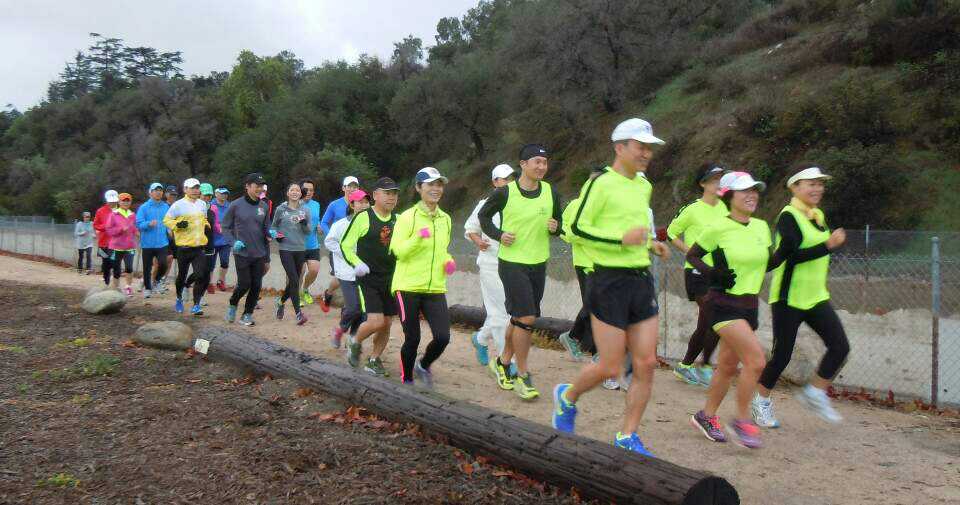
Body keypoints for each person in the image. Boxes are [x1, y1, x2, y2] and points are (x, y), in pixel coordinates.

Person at [551, 118, 664, 457]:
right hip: (607, 281)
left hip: (640, 280)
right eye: (640, 146)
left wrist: (649, 246)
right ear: (620, 147)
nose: (646, 153)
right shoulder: (600, 183)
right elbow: (577, 228)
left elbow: (637, 230)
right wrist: (619, 239)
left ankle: (627, 435)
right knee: (611, 367)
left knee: (645, 363)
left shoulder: (644, 186)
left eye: (649, 147)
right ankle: (567, 397)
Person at [685, 171, 779, 449]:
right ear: (729, 196)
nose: (752, 195)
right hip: (723, 304)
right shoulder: (718, 227)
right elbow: (692, 255)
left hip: (750, 305)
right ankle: (741, 420)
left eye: (755, 190)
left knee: (727, 367)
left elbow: (766, 263)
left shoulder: (762, 227)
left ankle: (706, 415)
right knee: (756, 361)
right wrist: (712, 273)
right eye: (744, 191)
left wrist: (791, 252)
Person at [753, 165, 849, 427]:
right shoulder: (788, 216)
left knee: (840, 347)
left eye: (820, 184)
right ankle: (760, 401)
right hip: (788, 298)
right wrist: (828, 245)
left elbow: (817, 253)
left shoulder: (817, 214)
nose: (817, 188)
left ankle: (815, 392)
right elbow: (792, 256)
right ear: (794, 187)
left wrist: (827, 247)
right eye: (811, 183)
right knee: (782, 356)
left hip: (816, 296)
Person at [479, 144, 563, 401]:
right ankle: (522, 374)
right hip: (512, 262)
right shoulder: (505, 193)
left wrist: (554, 227)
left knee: (520, 318)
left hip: (539, 262)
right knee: (526, 318)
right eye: (536, 161)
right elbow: (484, 217)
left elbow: (557, 226)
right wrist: (498, 235)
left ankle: (502, 362)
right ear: (523, 164)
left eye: (544, 162)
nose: (541, 166)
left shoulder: (551, 192)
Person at [391, 167, 456, 388]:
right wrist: (419, 237)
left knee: (443, 337)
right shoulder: (407, 217)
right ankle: (407, 380)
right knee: (413, 338)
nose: (436, 189)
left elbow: (442, 249)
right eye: (431, 184)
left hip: (435, 287)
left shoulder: (445, 219)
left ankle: (424, 364)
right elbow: (398, 251)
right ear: (419, 188)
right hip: (406, 286)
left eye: (439, 184)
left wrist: (448, 260)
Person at [666, 164, 728, 386]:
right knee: (713, 316)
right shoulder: (692, 209)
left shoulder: (726, 209)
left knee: (710, 323)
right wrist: (689, 251)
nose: (719, 183)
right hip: (696, 272)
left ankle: (688, 366)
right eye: (714, 179)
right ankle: (702, 365)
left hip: (719, 273)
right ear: (703, 183)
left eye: (721, 178)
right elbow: (671, 232)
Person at [342, 177, 399, 377]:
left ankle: (374, 359)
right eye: (387, 193)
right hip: (368, 278)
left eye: (394, 194)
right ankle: (354, 341)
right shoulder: (364, 217)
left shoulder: (398, 219)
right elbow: (345, 245)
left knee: (387, 322)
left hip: (391, 279)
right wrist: (357, 263)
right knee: (376, 321)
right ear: (375, 195)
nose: (391, 198)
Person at [464, 164, 514, 366]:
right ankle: (507, 363)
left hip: (514, 265)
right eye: (505, 179)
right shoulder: (485, 204)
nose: (509, 183)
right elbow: (470, 229)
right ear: (495, 182)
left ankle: (481, 338)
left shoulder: (519, 204)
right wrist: (478, 241)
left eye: (512, 179)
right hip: (490, 264)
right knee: (500, 313)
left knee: (508, 313)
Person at [222, 173, 272, 326]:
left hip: (260, 253)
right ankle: (233, 303)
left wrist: (271, 233)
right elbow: (225, 227)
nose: (259, 188)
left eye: (261, 186)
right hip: (242, 252)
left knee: (256, 285)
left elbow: (266, 229)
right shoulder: (236, 205)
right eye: (256, 185)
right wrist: (233, 242)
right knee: (244, 284)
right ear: (247, 186)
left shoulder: (263, 206)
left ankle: (247, 314)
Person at [324, 190, 370, 348]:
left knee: (364, 311)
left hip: (365, 272)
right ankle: (340, 330)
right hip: (346, 272)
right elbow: (329, 242)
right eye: (360, 202)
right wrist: (345, 252)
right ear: (352, 204)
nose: (364, 205)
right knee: (353, 307)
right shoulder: (341, 224)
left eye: (366, 202)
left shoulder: (372, 224)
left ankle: (352, 338)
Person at [163, 178, 210, 316]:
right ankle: (179, 298)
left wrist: (207, 225)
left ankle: (196, 305)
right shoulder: (178, 205)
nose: (196, 190)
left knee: (201, 275)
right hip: (183, 247)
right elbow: (166, 220)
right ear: (185, 190)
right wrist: (177, 225)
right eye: (193, 188)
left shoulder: (202, 204)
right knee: (181, 276)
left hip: (198, 246)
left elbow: (204, 218)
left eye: (197, 188)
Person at [271, 182, 313, 325]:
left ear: (300, 194)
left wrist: (303, 223)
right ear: (288, 193)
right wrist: (276, 235)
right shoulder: (280, 209)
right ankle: (298, 314)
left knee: (294, 282)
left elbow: (308, 231)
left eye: (297, 190)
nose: (295, 192)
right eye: (292, 190)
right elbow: (273, 227)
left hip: (300, 249)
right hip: (285, 249)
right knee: (294, 280)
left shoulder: (305, 210)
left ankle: (281, 301)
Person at [319, 176, 361, 310]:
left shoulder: (362, 204)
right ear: (343, 188)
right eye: (349, 186)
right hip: (338, 248)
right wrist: (331, 235)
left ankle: (347, 307)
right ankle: (329, 293)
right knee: (340, 277)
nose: (352, 189)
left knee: (354, 275)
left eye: (355, 186)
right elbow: (324, 222)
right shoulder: (335, 205)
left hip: (356, 248)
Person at [136, 182, 170, 298]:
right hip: (147, 243)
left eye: (160, 190)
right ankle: (147, 288)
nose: (158, 192)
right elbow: (139, 224)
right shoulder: (144, 207)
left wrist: (171, 230)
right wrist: (148, 224)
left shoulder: (166, 207)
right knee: (147, 267)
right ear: (150, 192)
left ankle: (156, 280)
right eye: (156, 190)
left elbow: (169, 221)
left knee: (163, 264)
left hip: (162, 242)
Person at [106, 193, 139, 296]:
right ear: (119, 202)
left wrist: (138, 233)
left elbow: (134, 228)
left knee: (129, 268)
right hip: (116, 247)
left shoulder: (132, 215)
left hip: (129, 247)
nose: (125, 202)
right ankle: (115, 288)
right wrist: (120, 229)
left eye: (127, 200)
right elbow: (109, 230)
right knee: (116, 269)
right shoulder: (113, 214)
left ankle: (128, 287)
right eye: (123, 200)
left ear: (130, 202)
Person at [298, 179, 324, 309]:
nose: (308, 192)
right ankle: (298, 296)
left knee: (314, 270)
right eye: (306, 189)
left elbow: (317, 220)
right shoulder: (294, 204)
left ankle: (305, 289)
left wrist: (319, 227)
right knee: (300, 271)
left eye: (311, 190)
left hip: (313, 244)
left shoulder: (316, 205)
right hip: (298, 245)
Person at [93, 190, 120, 287]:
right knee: (105, 264)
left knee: (116, 264)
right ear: (106, 200)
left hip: (117, 243)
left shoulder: (121, 211)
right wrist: (106, 226)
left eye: (114, 201)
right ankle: (106, 283)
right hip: (103, 242)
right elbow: (96, 225)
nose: (112, 203)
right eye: (110, 201)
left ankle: (115, 285)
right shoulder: (100, 211)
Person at [211, 187, 232, 292]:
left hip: (225, 240)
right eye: (222, 193)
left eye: (226, 193)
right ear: (216, 194)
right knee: (211, 264)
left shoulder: (230, 205)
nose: (224, 195)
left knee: (225, 262)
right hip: (213, 240)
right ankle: (209, 283)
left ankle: (221, 281)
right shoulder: (211, 204)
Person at [162, 184, 179, 286]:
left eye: (174, 195)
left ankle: (163, 279)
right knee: (165, 258)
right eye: (171, 194)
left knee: (171, 258)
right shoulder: (163, 206)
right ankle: (152, 278)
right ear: (166, 194)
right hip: (164, 236)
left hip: (175, 236)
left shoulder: (177, 206)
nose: (173, 197)